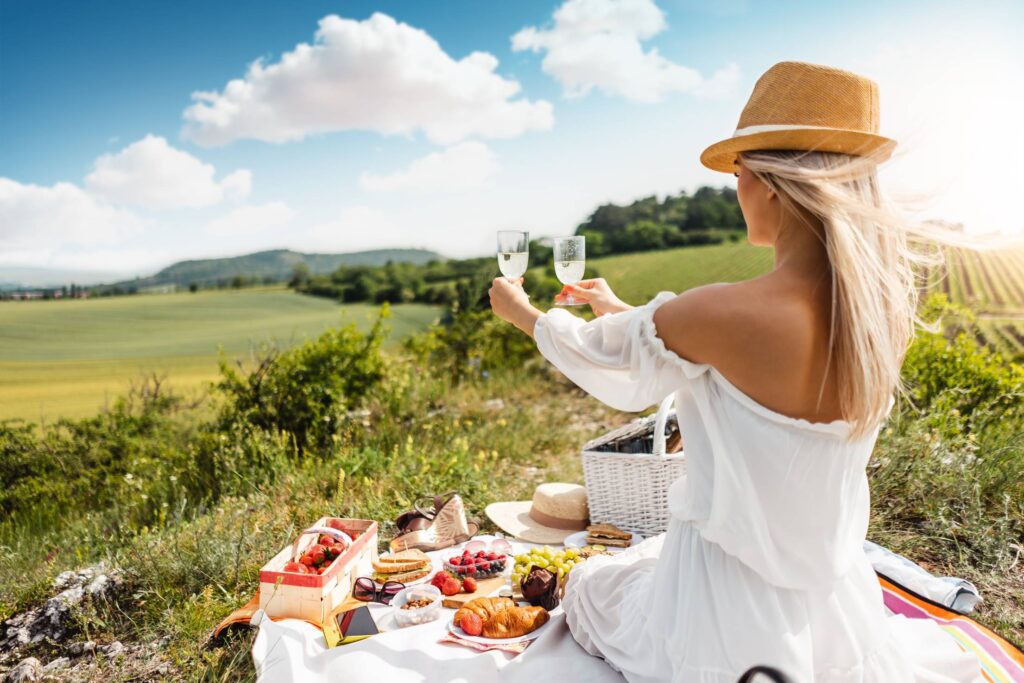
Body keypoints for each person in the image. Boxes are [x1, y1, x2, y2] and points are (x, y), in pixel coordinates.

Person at [488, 61, 985, 682]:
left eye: (738, 170)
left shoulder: (725, 311)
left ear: (772, 182)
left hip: (721, 616)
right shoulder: (878, 314)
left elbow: (610, 365)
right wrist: (621, 309)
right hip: (833, 600)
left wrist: (525, 314)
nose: (734, 187)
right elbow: (693, 346)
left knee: (593, 587)